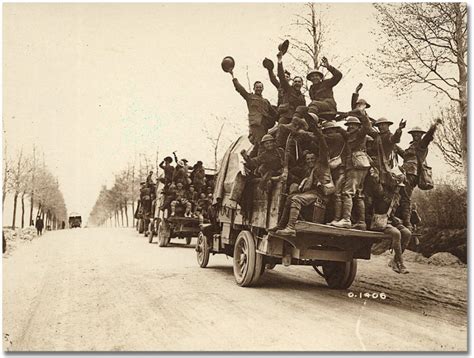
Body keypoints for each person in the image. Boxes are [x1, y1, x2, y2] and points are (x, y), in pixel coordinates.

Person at [274, 128, 334, 237]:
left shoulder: (322, 166)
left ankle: (290, 228)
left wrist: (315, 131)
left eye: (312, 159)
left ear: (316, 159)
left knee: (296, 199)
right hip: (311, 193)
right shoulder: (307, 170)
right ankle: (281, 225)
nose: (310, 161)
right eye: (308, 159)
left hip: (320, 195)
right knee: (289, 198)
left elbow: (323, 148)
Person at [395, 118, 442, 229]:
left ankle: (407, 222)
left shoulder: (421, 145)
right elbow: (405, 155)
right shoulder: (412, 146)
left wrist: (433, 126)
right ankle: (402, 218)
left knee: (405, 197)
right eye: (414, 133)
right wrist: (395, 146)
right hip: (405, 171)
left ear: (421, 135)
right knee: (400, 195)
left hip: (412, 174)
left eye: (418, 133)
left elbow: (428, 137)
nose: (416, 135)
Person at [331, 113, 375, 230]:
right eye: (349, 125)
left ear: (358, 126)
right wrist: (337, 127)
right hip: (360, 166)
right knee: (359, 195)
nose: (350, 127)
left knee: (347, 192)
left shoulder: (360, 134)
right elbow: (344, 133)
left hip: (355, 167)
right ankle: (361, 222)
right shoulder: (350, 135)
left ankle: (346, 220)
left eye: (353, 125)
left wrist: (362, 114)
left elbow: (366, 127)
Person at [365, 168, 411, 274]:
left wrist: (399, 222)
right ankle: (400, 263)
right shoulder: (382, 191)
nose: (398, 188)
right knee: (396, 234)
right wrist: (375, 176)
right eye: (397, 185)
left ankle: (394, 261)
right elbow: (376, 186)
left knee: (407, 233)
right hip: (377, 221)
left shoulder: (397, 196)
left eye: (399, 186)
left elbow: (394, 212)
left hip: (389, 222)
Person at [228, 71, 277, 147]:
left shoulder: (266, 101)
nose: (259, 89)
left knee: (265, 142)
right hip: (256, 125)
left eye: (260, 87)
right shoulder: (250, 97)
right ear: (254, 88)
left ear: (263, 88)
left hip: (265, 125)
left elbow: (274, 113)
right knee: (260, 143)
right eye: (257, 87)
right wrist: (233, 77)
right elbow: (241, 89)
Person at [276, 50, 306, 147]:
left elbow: (303, 108)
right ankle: (278, 148)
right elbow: (281, 76)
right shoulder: (288, 89)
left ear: (302, 84)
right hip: (286, 116)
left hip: (296, 119)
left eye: (299, 82)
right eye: (295, 81)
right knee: (279, 129)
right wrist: (279, 61)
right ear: (292, 83)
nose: (297, 83)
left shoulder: (302, 97)